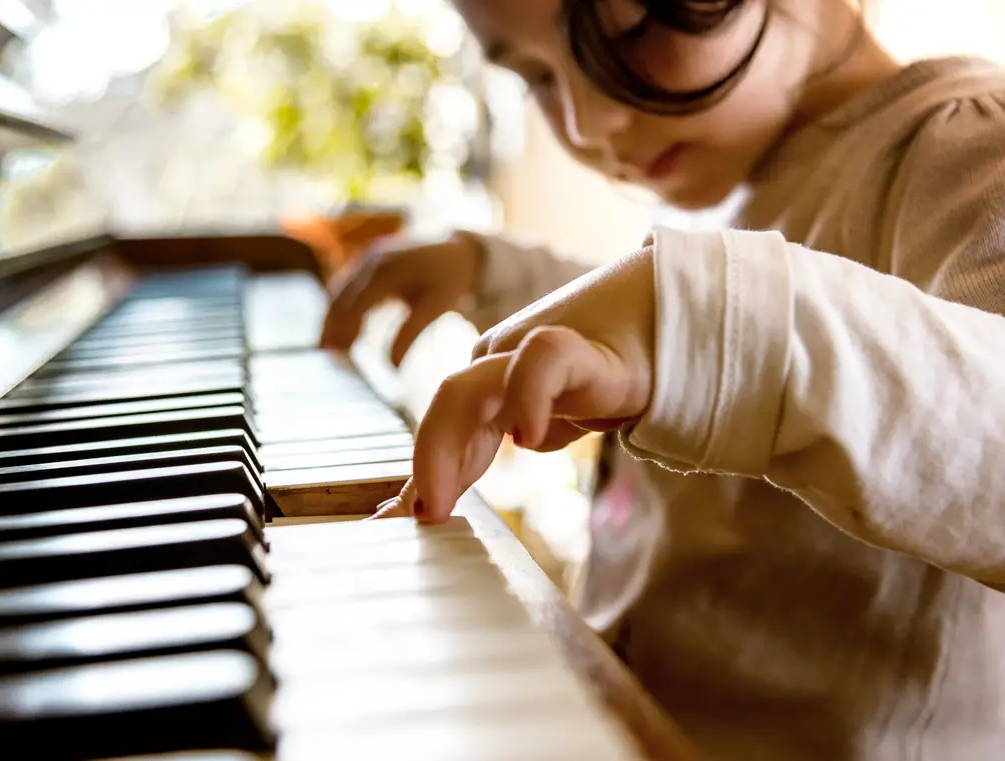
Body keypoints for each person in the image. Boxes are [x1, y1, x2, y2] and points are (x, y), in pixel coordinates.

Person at [319, 1, 1005, 759]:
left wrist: (704, 320)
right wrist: (497, 271)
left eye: (628, 32)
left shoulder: (969, 147)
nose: (585, 124)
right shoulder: (756, 167)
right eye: (537, 78)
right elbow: (689, 328)